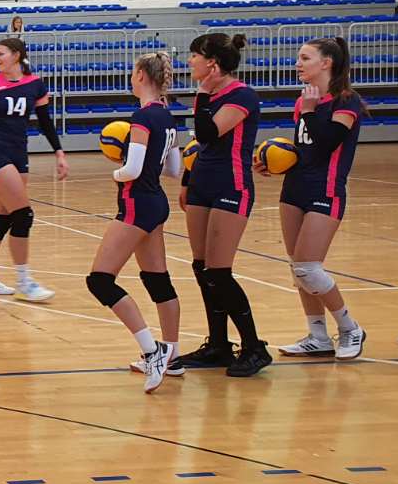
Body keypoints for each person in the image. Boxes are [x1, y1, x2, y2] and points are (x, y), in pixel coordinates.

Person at [175, 33, 271, 377]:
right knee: (202, 267)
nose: (190, 62)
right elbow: (200, 147)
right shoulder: (210, 95)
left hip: (231, 186)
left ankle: (254, 347)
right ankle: (218, 345)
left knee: (219, 271)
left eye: (194, 56)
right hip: (202, 184)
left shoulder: (241, 95)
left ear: (212, 63)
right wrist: (187, 181)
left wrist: (202, 95)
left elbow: (208, 133)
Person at [265, 37, 367, 361]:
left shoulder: (346, 101)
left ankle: (350, 328)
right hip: (294, 188)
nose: (298, 63)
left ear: (326, 63)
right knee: (298, 270)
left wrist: (309, 111)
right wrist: (273, 162)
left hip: (326, 189)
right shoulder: (303, 101)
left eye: (305, 58)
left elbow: (327, 142)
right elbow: (304, 149)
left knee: (309, 267)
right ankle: (318, 336)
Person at [86, 53, 183, 393]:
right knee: (157, 280)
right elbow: (174, 170)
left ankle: (153, 351)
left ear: (141, 75)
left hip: (136, 204)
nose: (130, 77)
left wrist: (115, 171)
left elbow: (132, 170)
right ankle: (173, 355)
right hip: (156, 202)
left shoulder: (142, 117)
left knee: (100, 280)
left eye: (132, 72)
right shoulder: (167, 116)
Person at [0, 37, 68, 302]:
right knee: (23, 215)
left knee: (3, 218)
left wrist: (59, 152)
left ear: (16, 55)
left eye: (1, 53)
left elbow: (45, 122)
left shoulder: (35, 85)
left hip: (19, 152)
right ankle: (24, 282)